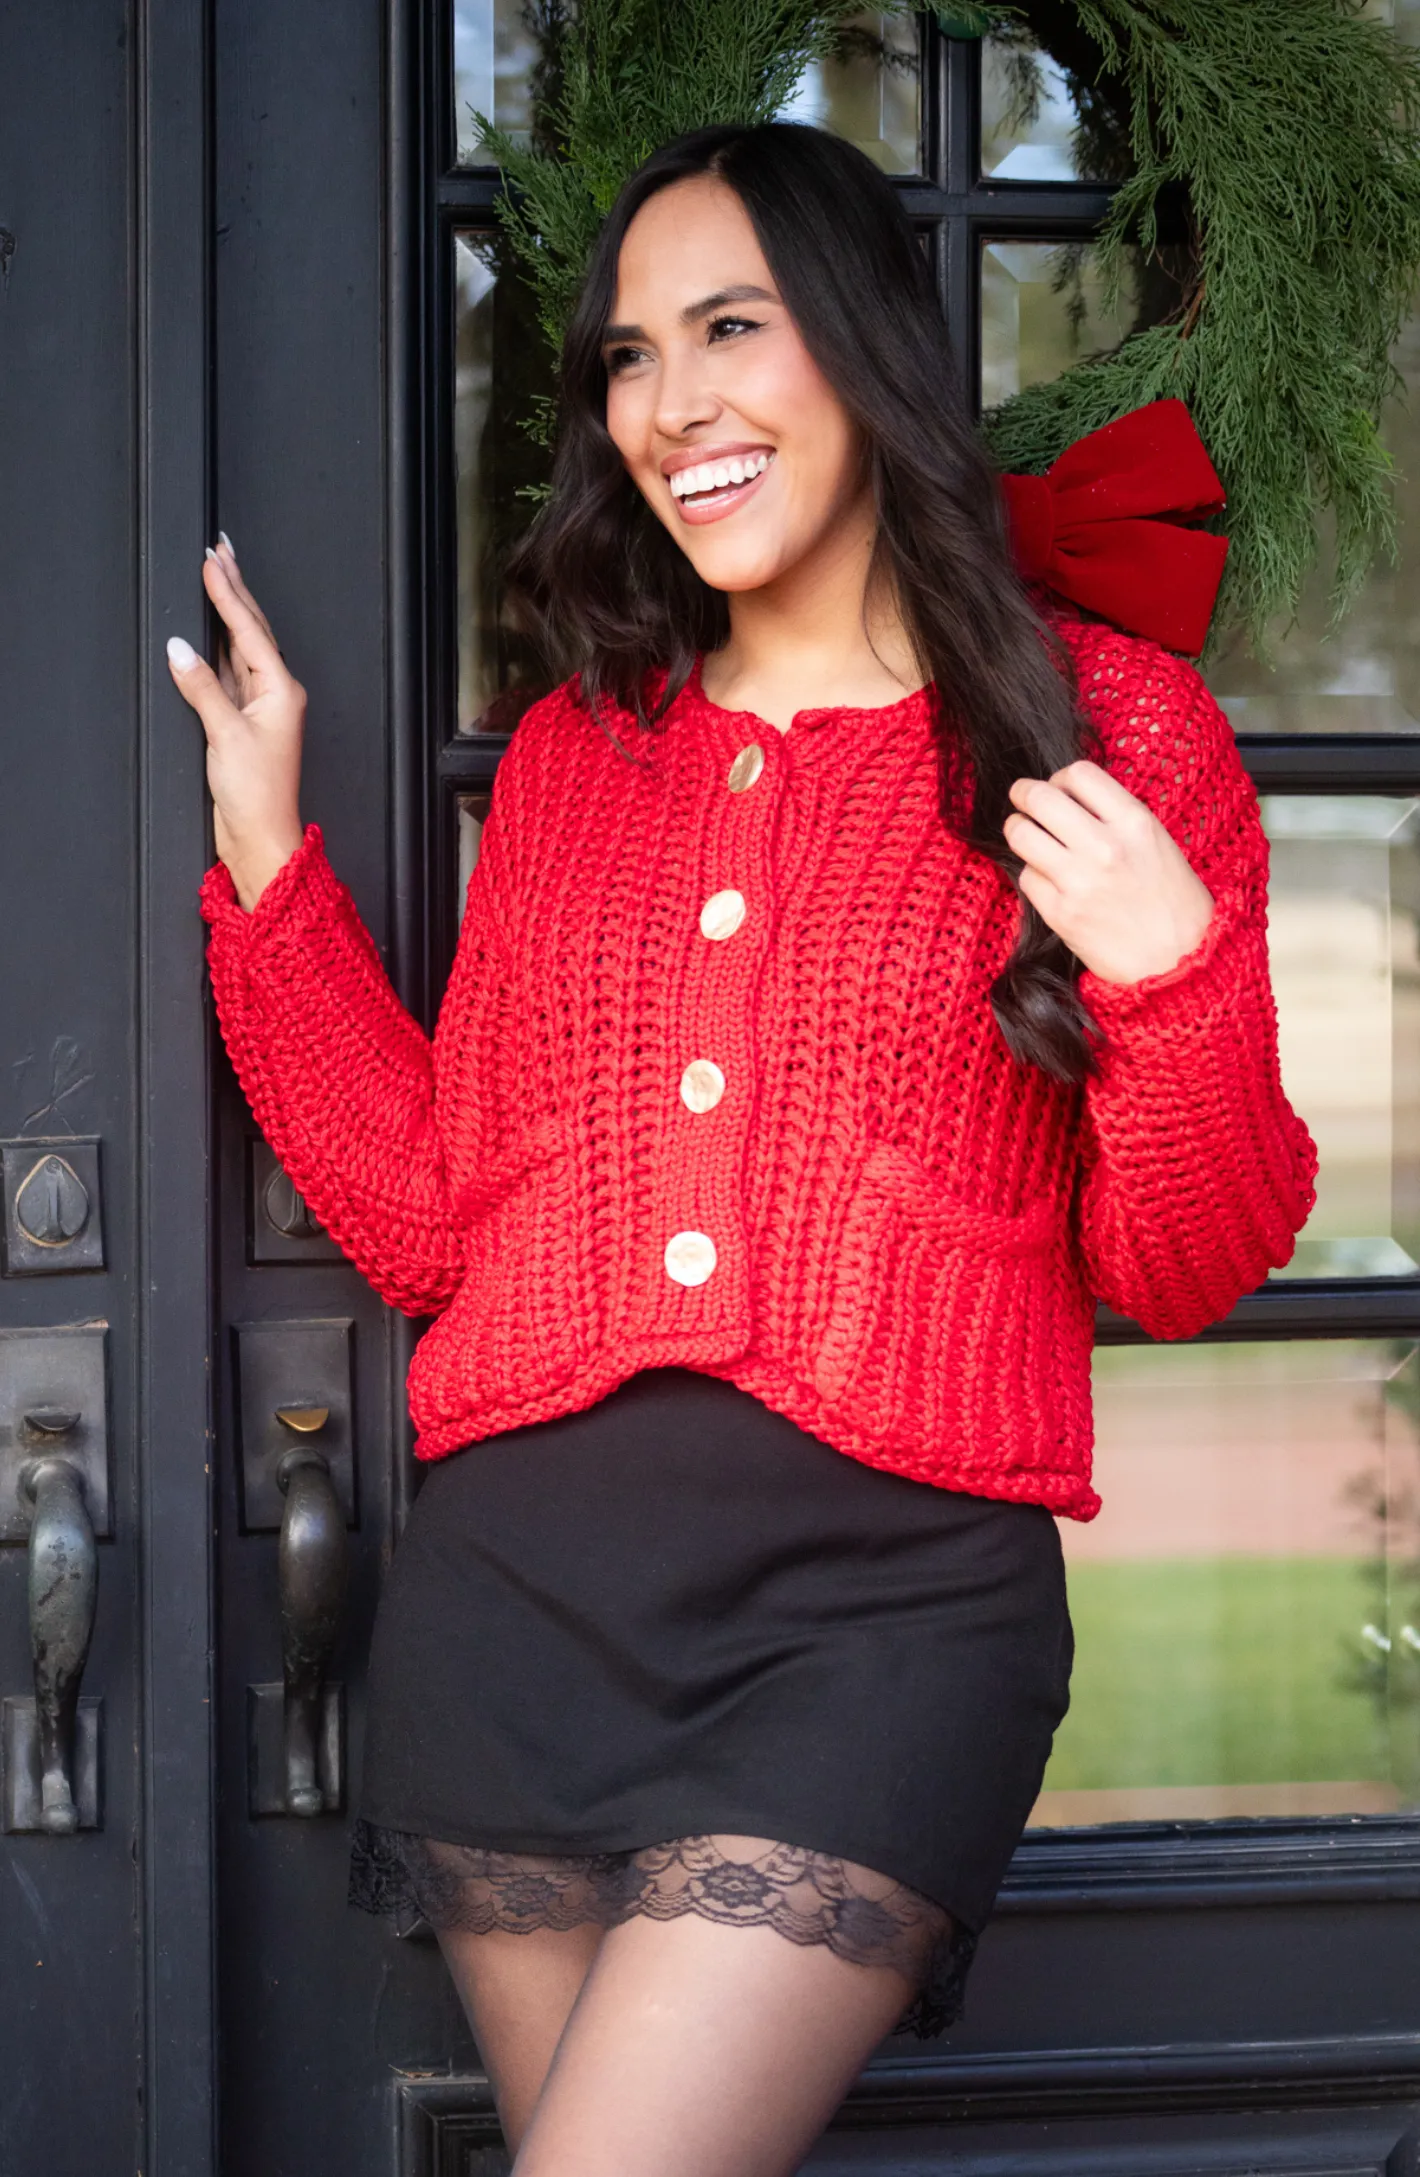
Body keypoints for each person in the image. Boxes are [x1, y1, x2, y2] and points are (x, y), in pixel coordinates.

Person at [166, 122, 1316, 2177]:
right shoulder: (572, 763)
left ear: (865, 349)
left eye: (728, 328)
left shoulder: (1105, 731)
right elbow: (431, 1218)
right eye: (626, 354)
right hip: (523, 1610)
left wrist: (1167, 976)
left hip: (878, 1627)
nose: (668, 403)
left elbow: (1181, 1259)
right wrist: (270, 863)